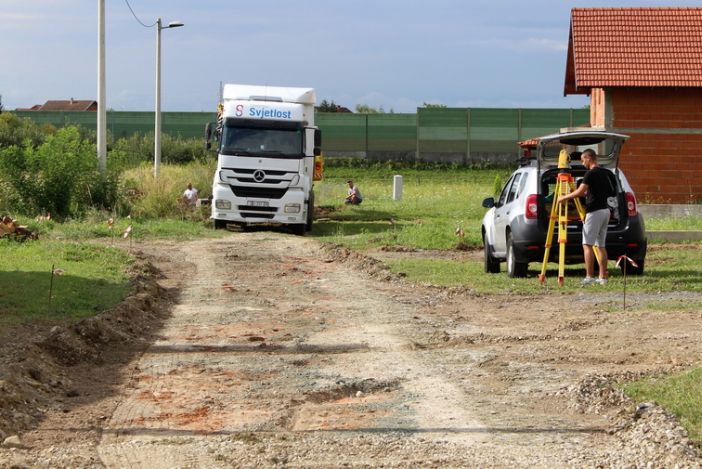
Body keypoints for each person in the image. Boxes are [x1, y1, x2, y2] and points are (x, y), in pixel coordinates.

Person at [557, 149, 611, 286]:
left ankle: (589, 276)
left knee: (587, 245)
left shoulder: (590, 173)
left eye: (583, 159)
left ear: (589, 158)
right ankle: (602, 278)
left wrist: (563, 197)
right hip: (605, 211)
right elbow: (605, 191)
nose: (582, 163)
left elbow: (581, 192)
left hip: (594, 212)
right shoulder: (605, 173)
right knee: (601, 245)